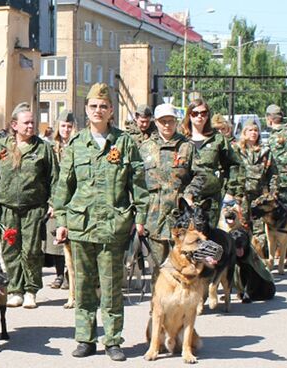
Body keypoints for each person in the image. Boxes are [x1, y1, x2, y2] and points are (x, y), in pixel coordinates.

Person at [53, 83, 149, 362]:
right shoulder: (76, 144)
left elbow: (139, 185)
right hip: (81, 226)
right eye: (93, 106)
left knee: (110, 286)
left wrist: (140, 219)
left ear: (111, 111)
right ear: (86, 110)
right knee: (82, 285)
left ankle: (113, 340)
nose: (98, 110)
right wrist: (61, 220)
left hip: (112, 226)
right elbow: (64, 186)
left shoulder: (125, 142)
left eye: (103, 106)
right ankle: (85, 338)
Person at [0, 103, 58, 309]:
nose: (31, 126)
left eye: (33, 122)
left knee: (32, 250)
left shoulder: (43, 148)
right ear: (14, 125)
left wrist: (53, 203)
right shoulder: (1, 147)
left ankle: (31, 290)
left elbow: (55, 177)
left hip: (34, 207)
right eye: (26, 123)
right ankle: (16, 289)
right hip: (7, 208)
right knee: (10, 249)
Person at [139, 103, 204, 289]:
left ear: (176, 122)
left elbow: (200, 174)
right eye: (162, 121)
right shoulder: (145, 148)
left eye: (171, 121)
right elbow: (136, 181)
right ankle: (157, 306)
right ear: (156, 122)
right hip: (154, 216)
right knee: (159, 267)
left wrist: (190, 194)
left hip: (181, 216)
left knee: (184, 265)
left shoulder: (186, 147)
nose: (167, 125)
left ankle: (182, 306)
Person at [180, 98, 240, 228]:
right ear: (189, 115)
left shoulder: (217, 139)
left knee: (208, 239)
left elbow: (234, 164)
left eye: (203, 113)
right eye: (195, 113)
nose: (199, 116)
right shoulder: (181, 139)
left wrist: (230, 191)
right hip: (183, 199)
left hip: (209, 200)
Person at [42, 109, 76, 289]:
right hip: (54, 198)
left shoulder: (77, 145)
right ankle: (58, 274)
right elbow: (48, 177)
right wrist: (51, 202)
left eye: (69, 126)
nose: (66, 129)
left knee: (72, 237)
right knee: (55, 237)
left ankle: (69, 275)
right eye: (63, 126)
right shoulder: (50, 147)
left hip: (73, 199)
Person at [231, 119, 275, 248]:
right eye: (250, 130)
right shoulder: (236, 150)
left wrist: (272, 192)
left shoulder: (265, 151)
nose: (253, 133)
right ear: (244, 132)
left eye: (256, 130)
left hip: (259, 195)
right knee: (241, 226)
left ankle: (259, 258)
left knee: (259, 227)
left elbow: (273, 174)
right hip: (241, 195)